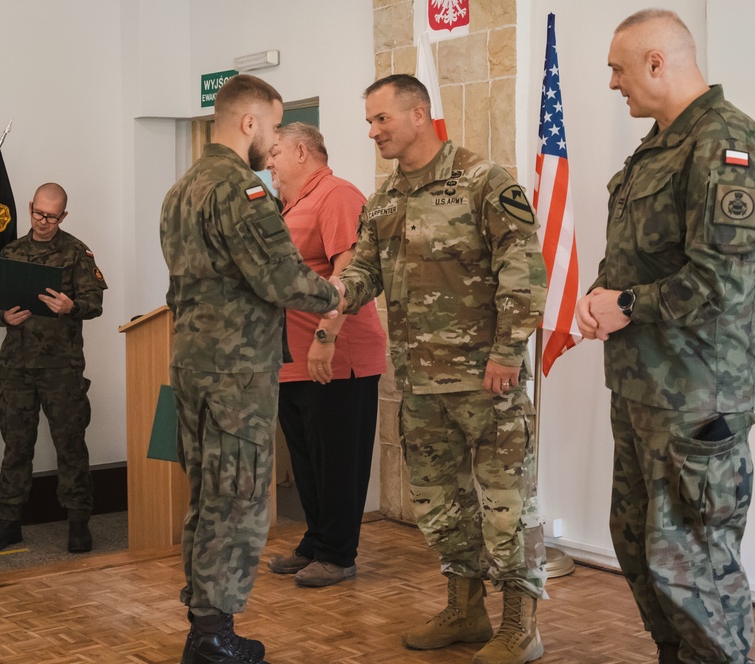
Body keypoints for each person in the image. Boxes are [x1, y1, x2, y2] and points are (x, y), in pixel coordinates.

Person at [574, 10, 755, 664]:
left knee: (693, 561)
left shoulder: (727, 145)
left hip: (697, 399)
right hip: (644, 389)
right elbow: (645, 256)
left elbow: (725, 280)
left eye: (619, 68)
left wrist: (626, 305)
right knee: (639, 546)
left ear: (658, 63)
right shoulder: (662, 144)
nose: (612, 83)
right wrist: (601, 301)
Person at [335, 74, 548, 664]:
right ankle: (465, 608)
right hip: (420, 386)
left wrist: (508, 351)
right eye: (370, 121)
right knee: (441, 506)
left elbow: (523, 269)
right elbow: (364, 273)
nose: (373, 130)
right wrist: (331, 293)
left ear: (419, 112)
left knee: (506, 506)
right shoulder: (383, 200)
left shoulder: (484, 181)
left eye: (382, 119)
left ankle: (520, 625)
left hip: (487, 381)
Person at [160, 74, 341, 664]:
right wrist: (337, 292)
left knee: (206, 493)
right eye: (273, 124)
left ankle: (203, 621)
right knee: (236, 499)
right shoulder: (242, 190)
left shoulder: (182, 189)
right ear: (249, 122)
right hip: (235, 374)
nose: (273, 139)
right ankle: (213, 637)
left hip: (192, 365)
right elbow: (282, 279)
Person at [263, 123, 386, 588]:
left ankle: (338, 553)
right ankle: (316, 541)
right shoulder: (289, 205)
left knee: (337, 459)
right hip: (291, 362)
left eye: (275, 153)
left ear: (301, 151)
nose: (269, 162)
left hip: (336, 356)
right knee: (308, 458)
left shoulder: (336, 195)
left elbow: (348, 271)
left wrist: (324, 334)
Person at [0, 182, 107, 555]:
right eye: (38, 213)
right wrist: (3, 315)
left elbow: (94, 301)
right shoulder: (12, 251)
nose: (43, 221)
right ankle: (9, 522)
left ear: (63, 216)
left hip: (61, 369)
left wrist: (72, 307)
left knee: (70, 445)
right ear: (30, 206)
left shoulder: (76, 253)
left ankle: (79, 522)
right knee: (16, 445)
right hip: (17, 368)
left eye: (51, 216)